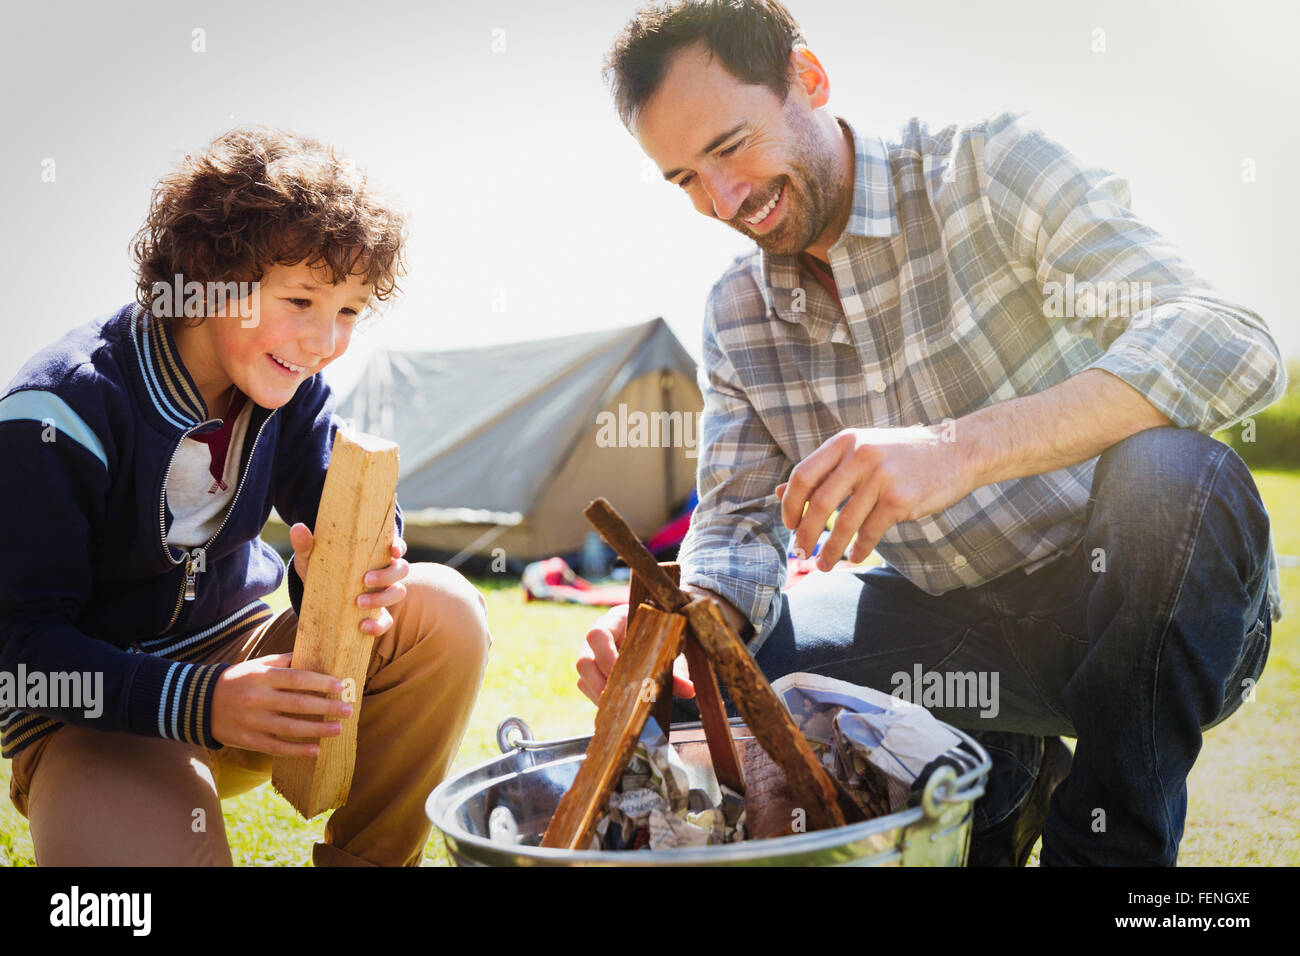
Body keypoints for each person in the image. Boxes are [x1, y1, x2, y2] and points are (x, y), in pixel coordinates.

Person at [576, 0, 1284, 866]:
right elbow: (730, 525)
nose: (724, 198)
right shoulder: (737, 312)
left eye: (730, 146)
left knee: (1172, 473)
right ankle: (994, 791)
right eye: (684, 178)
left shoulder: (986, 168)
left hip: (1143, 614)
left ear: (809, 79)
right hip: (958, 633)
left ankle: (1107, 848)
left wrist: (959, 447)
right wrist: (683, 624)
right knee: (731, 660)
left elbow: (1228, 338)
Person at [0, 126, 491, 866]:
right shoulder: (58, 411)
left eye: (351, 310)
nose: (326, 340)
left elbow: (339, 503)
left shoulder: (290, 385)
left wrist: (363, 559)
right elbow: (20, 655)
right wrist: (202, 702)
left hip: (257, 670)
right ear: (208, 270)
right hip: (97, 719)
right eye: (302, 299)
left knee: (443, 606)